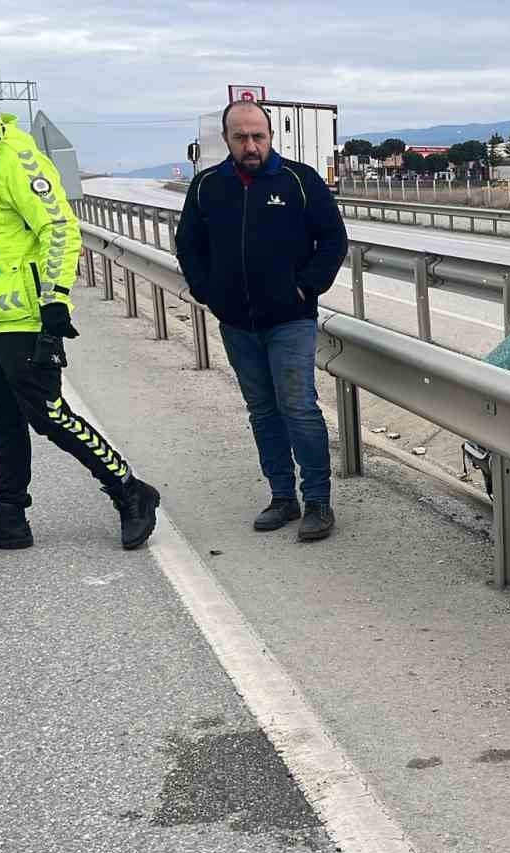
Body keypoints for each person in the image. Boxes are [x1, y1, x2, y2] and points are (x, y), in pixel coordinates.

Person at [0, 72, 160, 553]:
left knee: (48, 415)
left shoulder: (12, 156)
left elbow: (61, 227)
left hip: (22, 318)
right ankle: (8, 518)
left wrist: (55, 299)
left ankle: (129, 491)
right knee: (0, 419)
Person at [175, 100, 348, 541]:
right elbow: (189, 246)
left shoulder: (299, 181)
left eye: (258, 136)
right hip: (237, 323)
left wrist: (305, 287)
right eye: (241, 137)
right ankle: (281, 496)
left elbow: (333, 239)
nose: (251, 145)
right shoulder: (207, 187)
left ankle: (318, 502)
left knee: (299, 408)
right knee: (263, 411)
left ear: (271, 136)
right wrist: (208, 292)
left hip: (291, 319)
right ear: (227, 139)